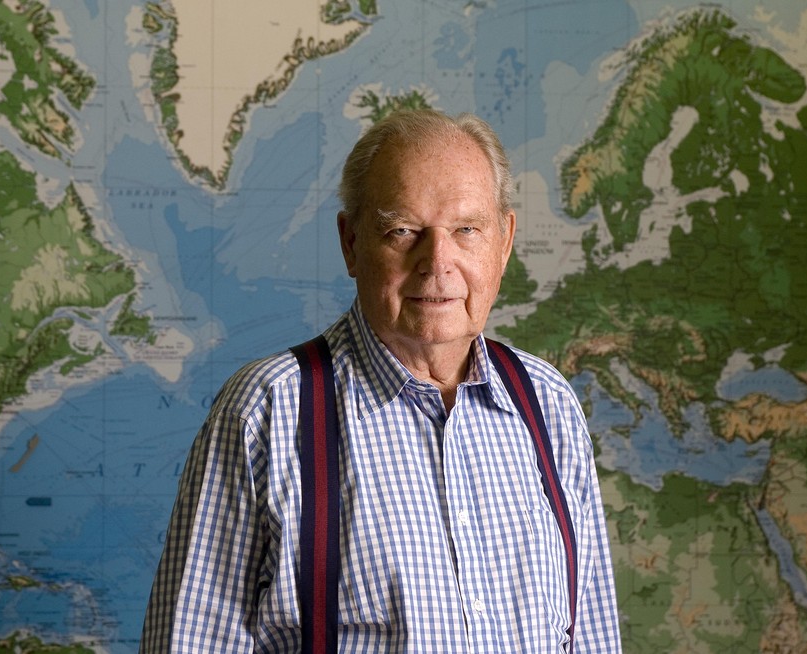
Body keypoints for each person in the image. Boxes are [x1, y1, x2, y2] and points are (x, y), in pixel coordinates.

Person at [139, 110, 621, 652]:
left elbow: (593, 638)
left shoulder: (550, 405)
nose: (436, 263)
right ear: (350, 242)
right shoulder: (265, 413)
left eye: (466, 230)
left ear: (504, 242)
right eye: (403, 231)